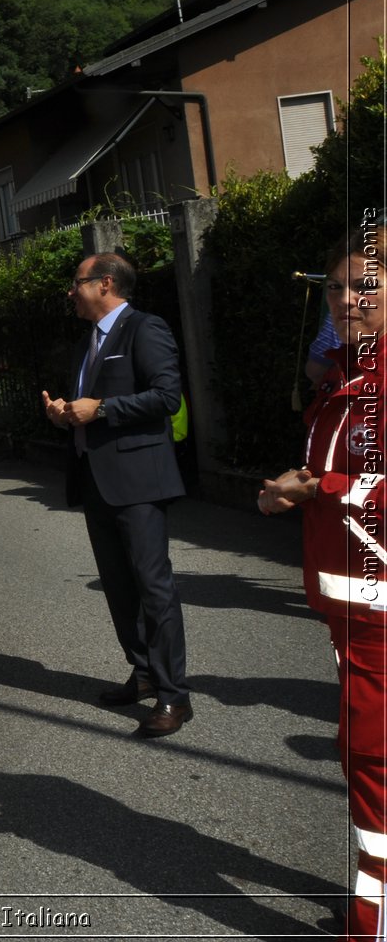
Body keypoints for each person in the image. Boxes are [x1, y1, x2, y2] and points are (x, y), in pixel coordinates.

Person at [258, 223, 387, 939]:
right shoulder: (346, 374)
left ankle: (372, 919)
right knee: (365, 757)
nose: (345, 297)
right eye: (336, 286)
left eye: (364, 284)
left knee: (371, 760)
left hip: (378, 609)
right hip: (348, 611)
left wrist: (320, 487)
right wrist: (291, 491)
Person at [40, 252, 190, 737]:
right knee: (119, 587)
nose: (71, 291)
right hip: (96, 478)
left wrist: (101, 408)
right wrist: (65, 412)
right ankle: (143, 671)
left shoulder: (145, 328)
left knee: (153, 586)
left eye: (76, 282)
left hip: (140, 481)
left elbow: (167, 396)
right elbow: (88, 407)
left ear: (105, 284)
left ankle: (174, 697)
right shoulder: (87, 342)